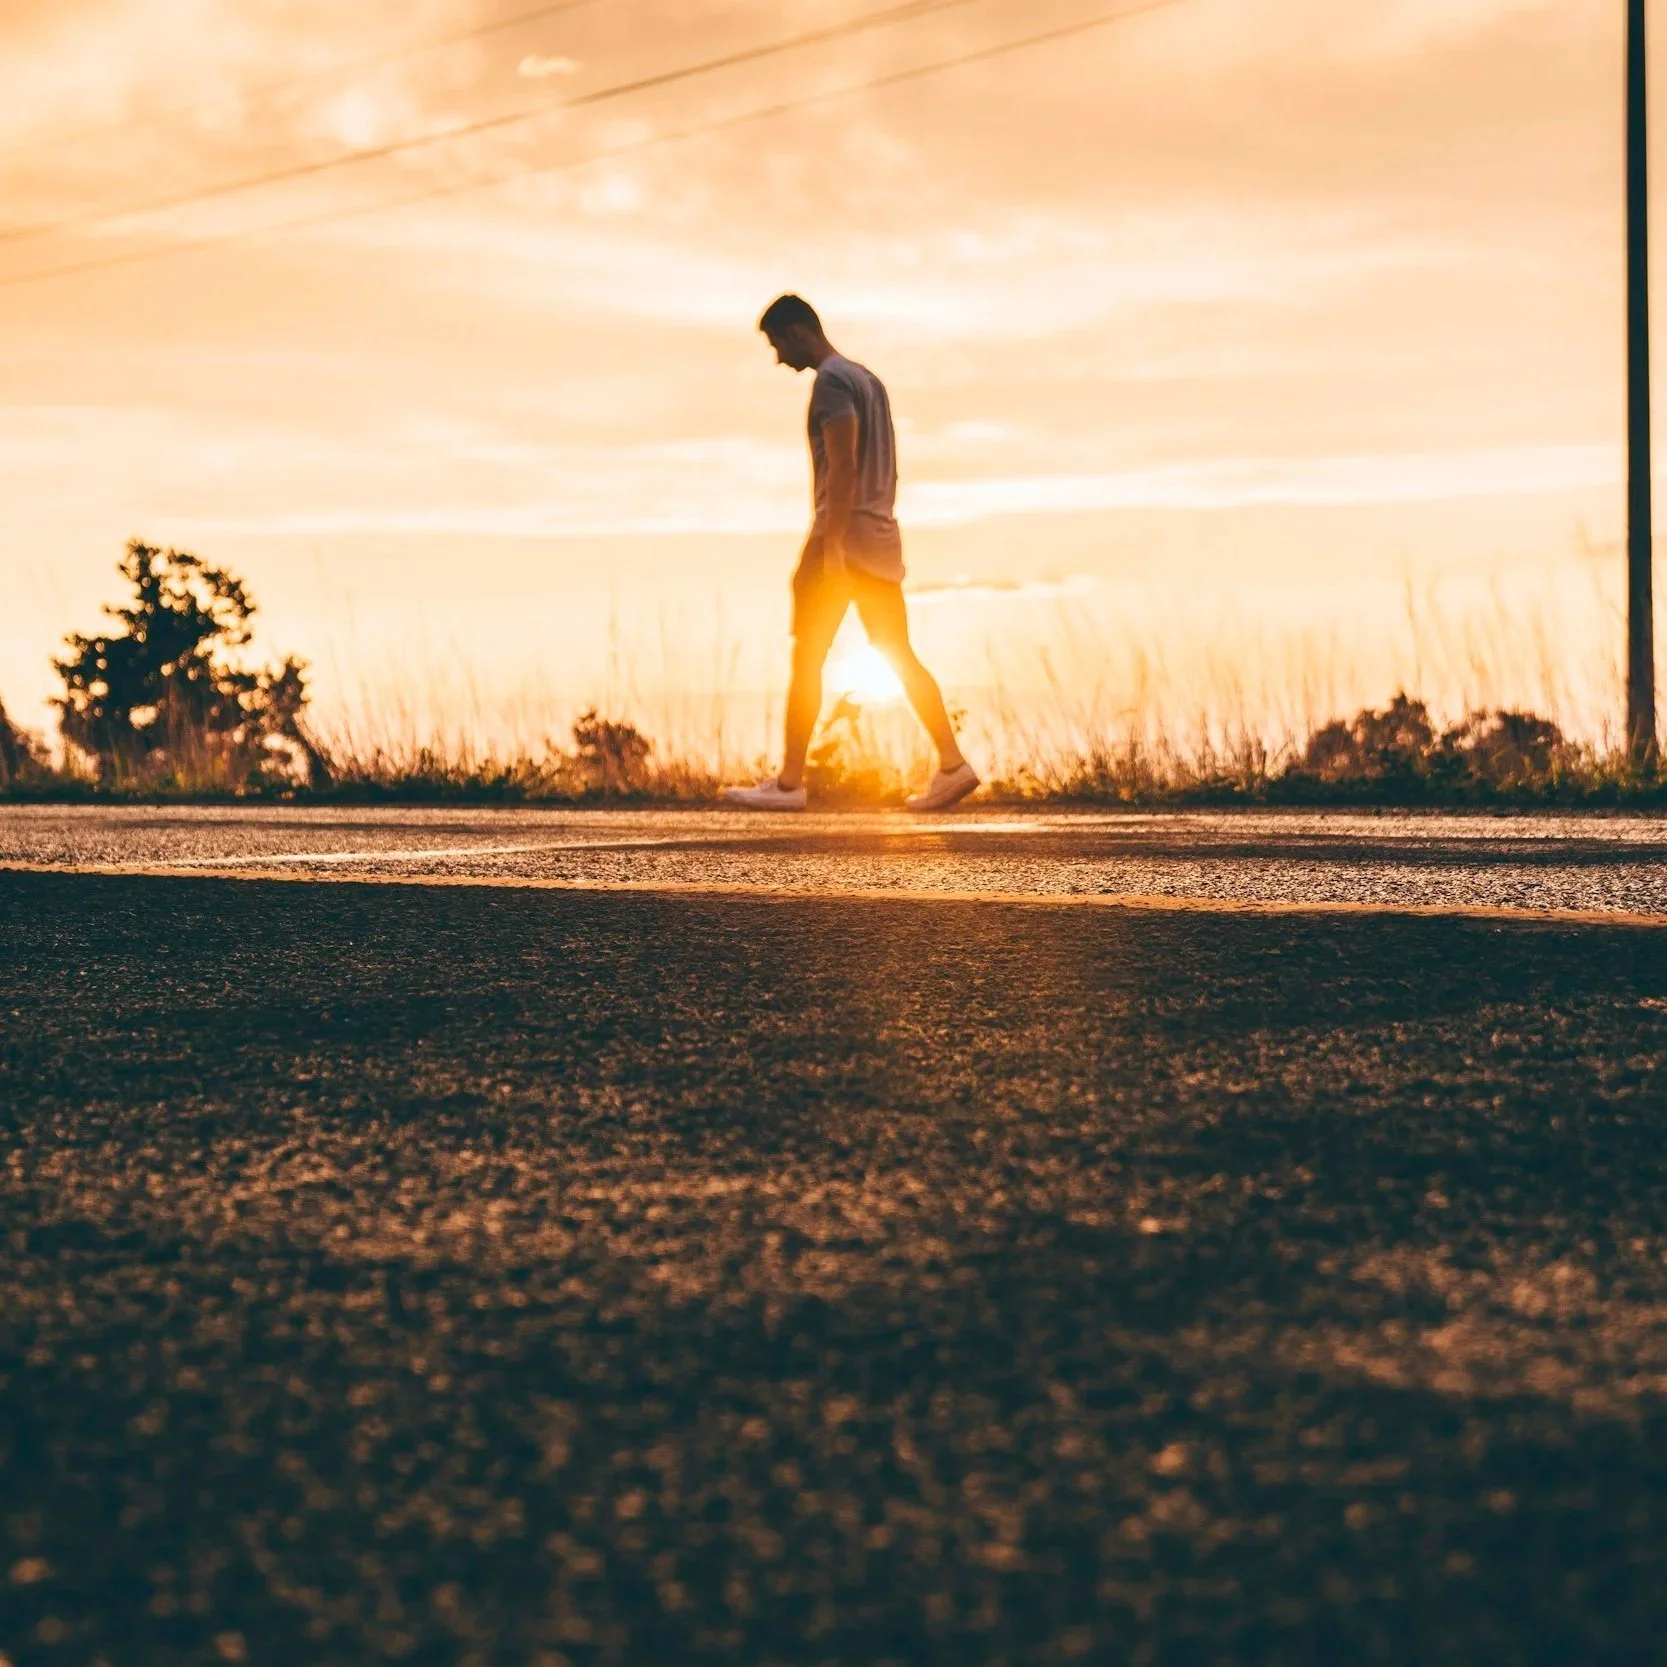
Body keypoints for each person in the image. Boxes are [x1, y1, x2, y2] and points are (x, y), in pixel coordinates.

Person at [724, 294, 979, 813]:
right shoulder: (869, 381)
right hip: (881, 539)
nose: (778, 359)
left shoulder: (832, 382)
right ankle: (954, 765)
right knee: (897, 651)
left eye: (777, 345)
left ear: (798, 332)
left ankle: (789, 784)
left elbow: (843, 466)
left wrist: (831, 547)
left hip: (843, 542)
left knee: (808, 658)